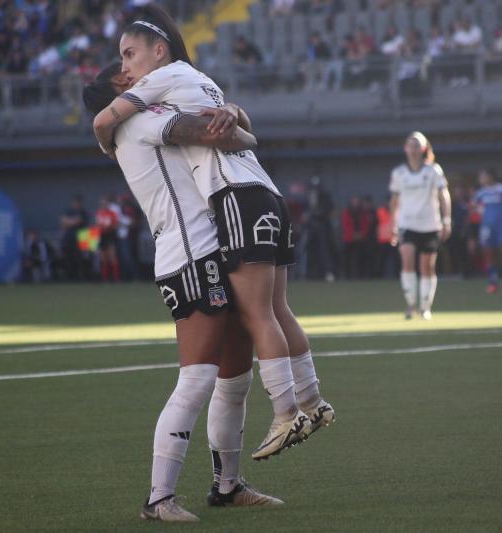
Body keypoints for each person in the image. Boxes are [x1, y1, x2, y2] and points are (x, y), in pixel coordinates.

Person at [93, 3, 333, 469]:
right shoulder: (203, 81)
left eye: (129, 56)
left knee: (252, 316)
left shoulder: (153, 91)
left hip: (232, 199)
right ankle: (312, 402)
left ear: (156, 51)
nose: (126, 71)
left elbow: (105, 121)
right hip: (269, 192)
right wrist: (239, 120)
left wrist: (107, 139)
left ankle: (286, 414)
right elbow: (242, 135)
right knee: (278, 309)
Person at [84, 60, 281, 523]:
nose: (140, 76)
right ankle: (158, 498)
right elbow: (218, 134)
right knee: (197, 377)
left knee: (235, 376)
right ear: (117, 90)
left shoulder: (129, 127)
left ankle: (227, 486)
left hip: (207, 248)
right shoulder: (141, 120)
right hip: (191, 254)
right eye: (128, 72)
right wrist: (236, 119)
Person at [389, 132, 451, 320]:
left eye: (418, 145)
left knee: (427, 267)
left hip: (430, 224)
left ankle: (425, 307)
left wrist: (447, 220)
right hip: (407, 224)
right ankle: (410, 305)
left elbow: (444, 195)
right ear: (405, 148)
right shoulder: (399, 173)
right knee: (407, 260)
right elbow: (394, 200)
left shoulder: (433, 170)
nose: (414, 148)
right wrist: (393, 223)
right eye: (411, 144)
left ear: (424, 149)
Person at [59, 195, 89, 281]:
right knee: (68, 258)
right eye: (74, 202)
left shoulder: (83, 212)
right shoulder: (68, 211)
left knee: (79, 258)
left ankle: (81, 277)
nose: (76, 204)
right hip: (68, 238)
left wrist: (68, 222)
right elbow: (62, 222)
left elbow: (77, 221)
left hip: (81, 239)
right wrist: (71, 221)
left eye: (77, 202)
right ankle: (69, 277)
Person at [95, 196, 121, 282]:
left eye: (105, 203)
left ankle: (116, 278)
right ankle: (105, 278)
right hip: (102, 237)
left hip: (110, 236)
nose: (104, 205)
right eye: (102, 204)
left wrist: (109, 227)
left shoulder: (112, 213)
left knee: (113, 257)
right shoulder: (99, 213)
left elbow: (116, 225)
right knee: (103, 258)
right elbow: (98, 225)